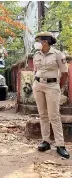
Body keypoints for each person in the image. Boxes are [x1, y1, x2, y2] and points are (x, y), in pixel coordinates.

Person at [33, 31, 70, 159]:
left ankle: (60, 145)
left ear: (45, 42)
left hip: (52, 86)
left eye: (39, 41)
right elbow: (36, 71)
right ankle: (46, 141)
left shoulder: (58, 54)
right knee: (42, 114)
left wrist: (57, 87)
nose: (37, 43)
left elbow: (65, 73)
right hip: (38, 86)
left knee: (54, 116)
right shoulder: (36, 54)